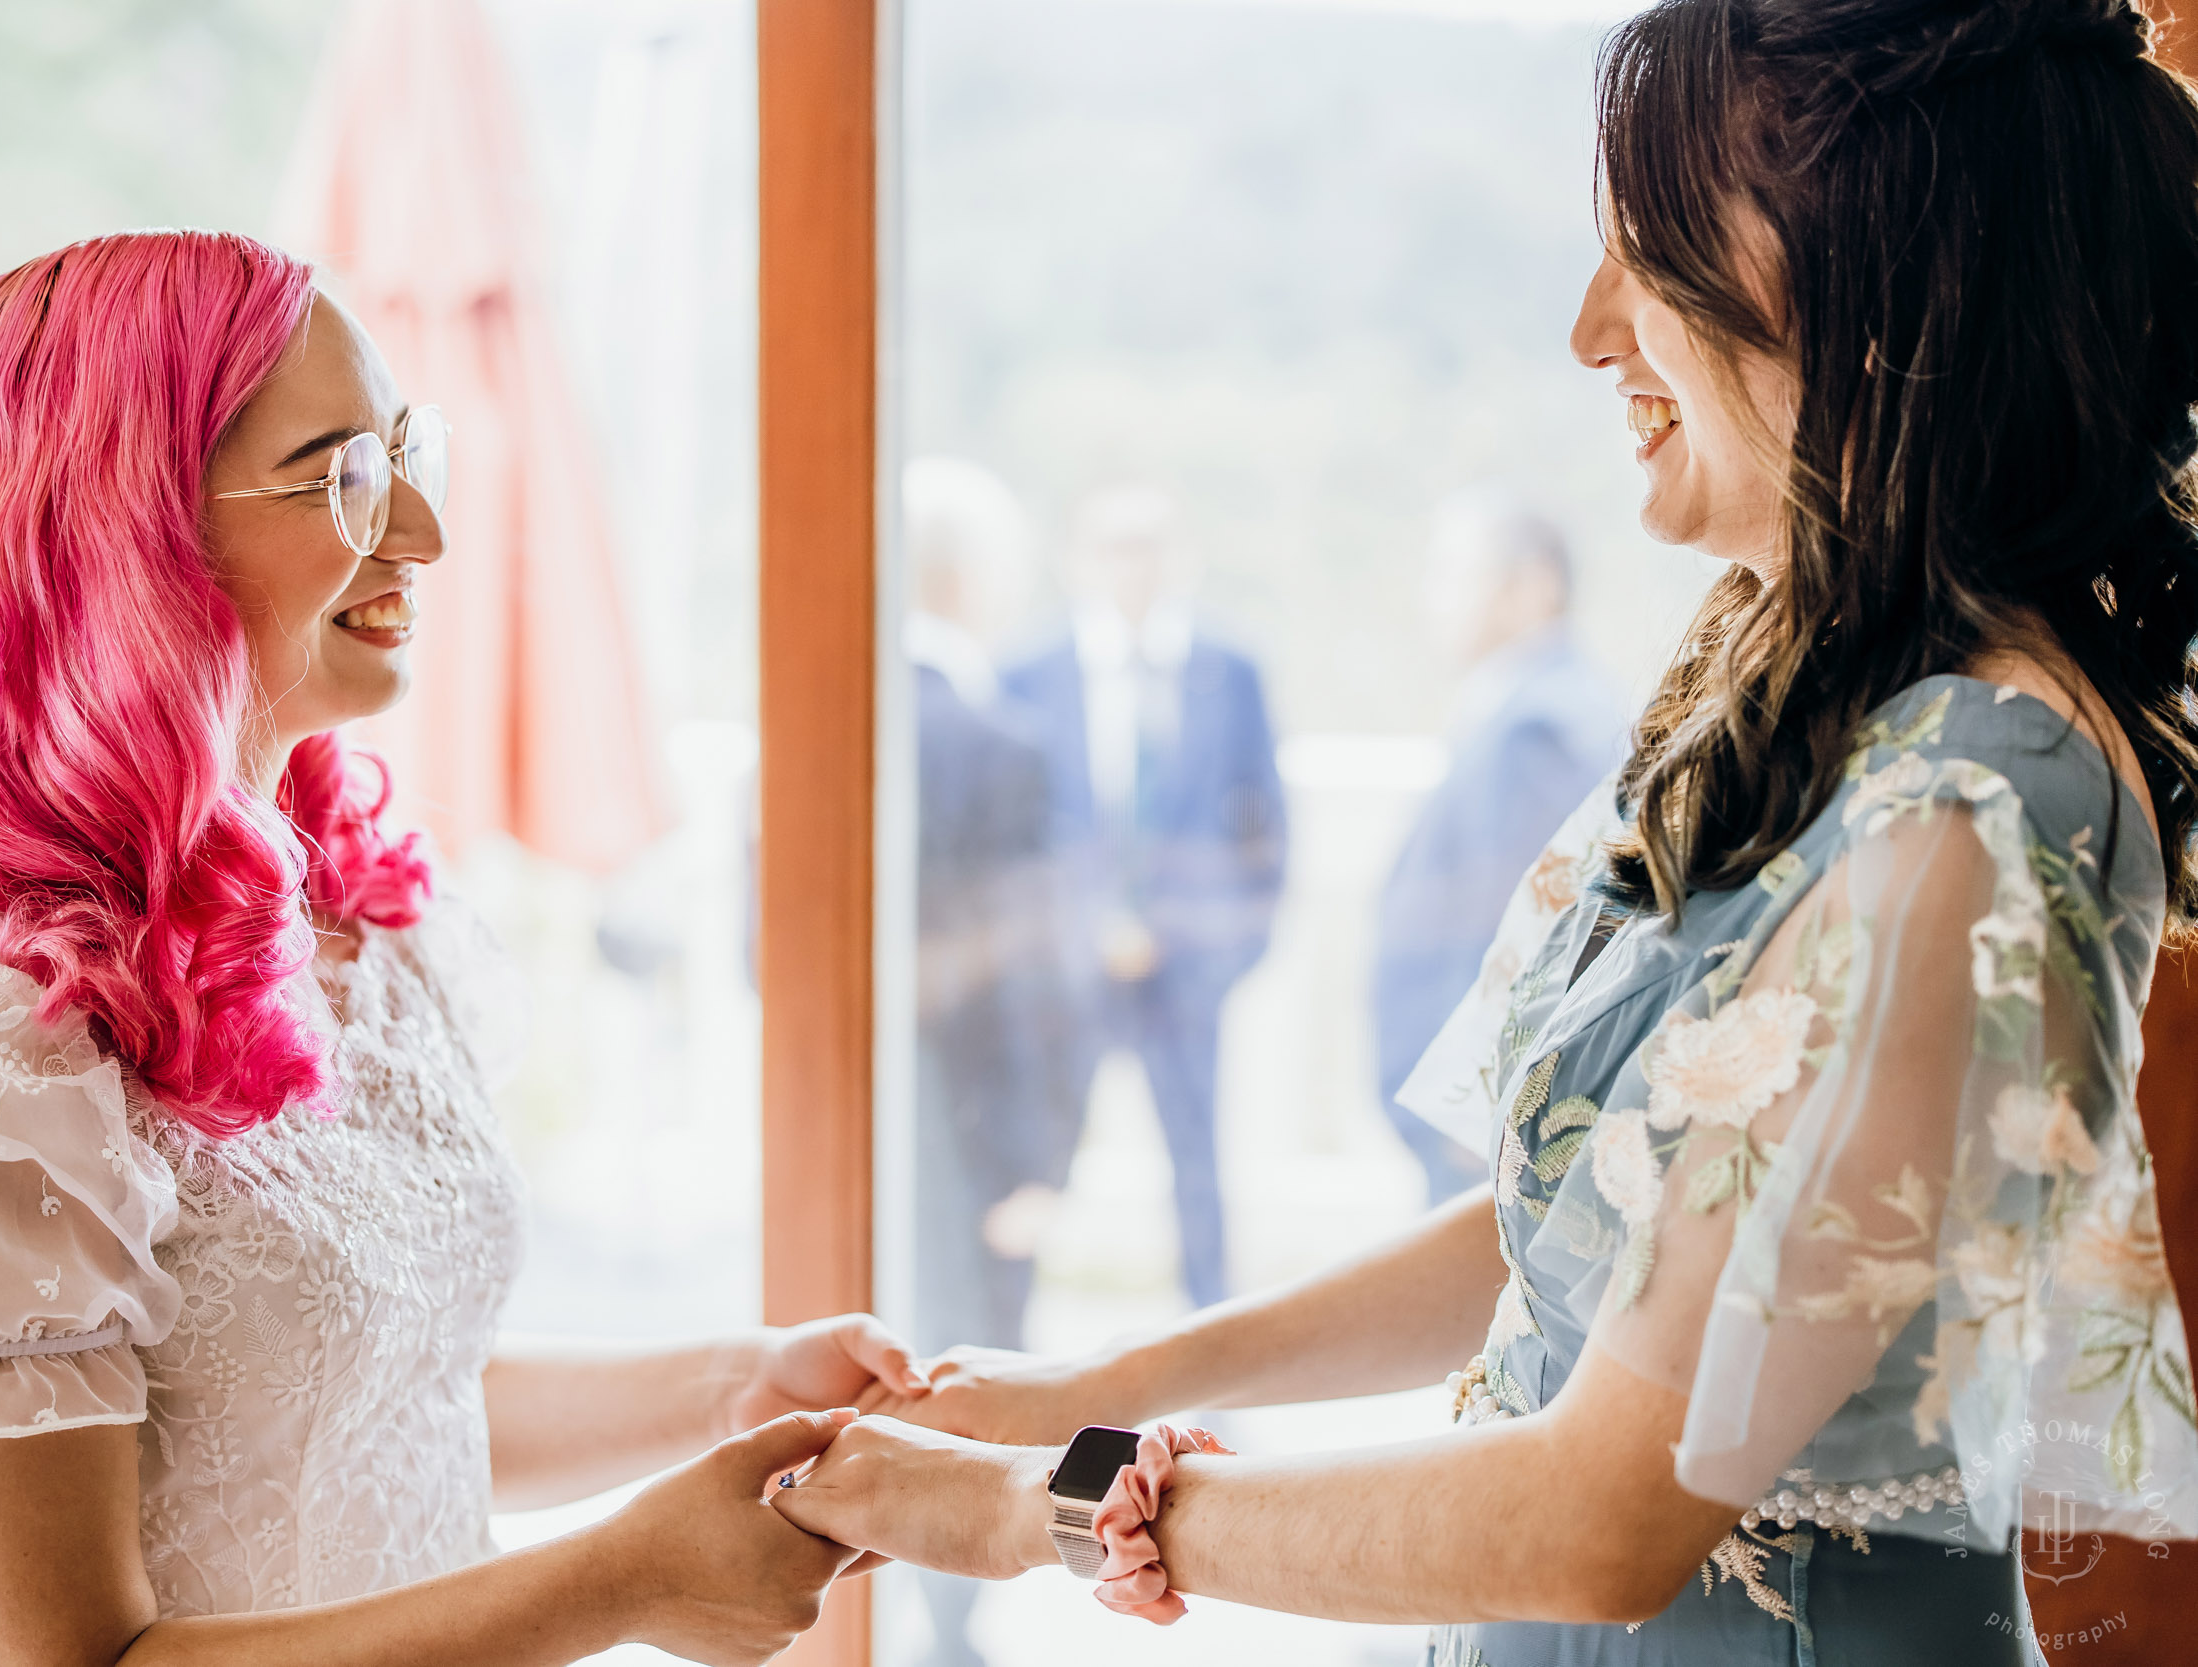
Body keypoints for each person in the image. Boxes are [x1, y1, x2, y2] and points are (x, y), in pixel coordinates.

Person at [770, 4, 2198, 1661]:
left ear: (1881, 275)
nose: (1592, 329)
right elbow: (1593, 1236)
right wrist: (1113, 1383)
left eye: (1647, 253)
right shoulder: (1842, 702)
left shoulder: (1970, 801)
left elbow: (1598, 1520)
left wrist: (1023, 1510)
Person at [0, 231, 925, 1665]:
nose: (423, 530)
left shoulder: (346, 896)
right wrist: (614, 1581)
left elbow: (369, 1398)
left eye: (404, 449)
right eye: (346, 476)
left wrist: (735, 1381)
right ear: (131, 533)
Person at [1001, 486, 1287, 1311]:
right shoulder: (1028, 671)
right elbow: (1015, 835)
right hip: (1065, 972)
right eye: (1113, 546)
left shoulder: (1230, 670)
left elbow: (1266, 824)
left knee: (1199, 1171)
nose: (1132, 565)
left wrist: (1229, 951)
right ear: (1078, 559)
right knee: (1036, 1159)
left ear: (1177, 557)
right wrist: (1066, 936)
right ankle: (997, 1341)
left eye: (1148, 545)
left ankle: (1212, 1351)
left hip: (1187, 970)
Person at [901, 457, 1076, 1666]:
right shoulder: (998, 740)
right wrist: (1039, 1150)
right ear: (965, 579)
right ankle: (950, 1621)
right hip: (968, 1105)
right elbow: (1030, 981)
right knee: (967, 1345)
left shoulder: (806, 724)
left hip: (864, 1093)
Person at [1373, 491, 1628, 1201]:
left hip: (1478, 1108)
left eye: (1456, 573)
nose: (1436, 598)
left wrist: (1479, 1094)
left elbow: (1525, 923)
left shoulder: (1541, 727)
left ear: (1533, 584)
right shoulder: (1522, 703)